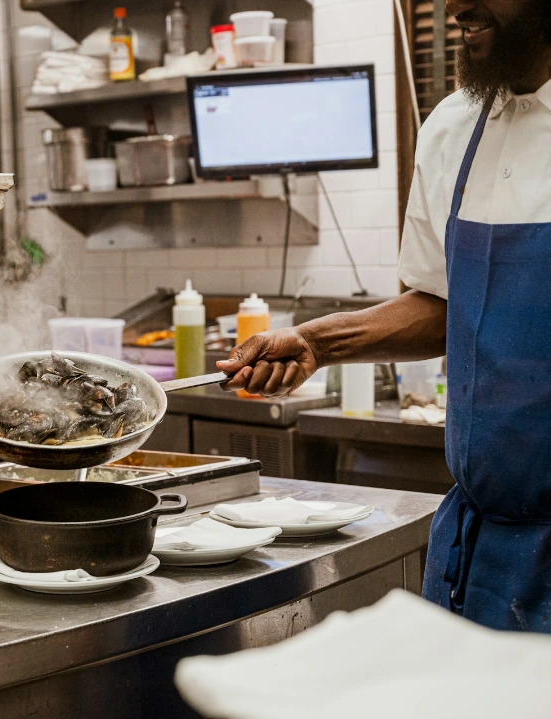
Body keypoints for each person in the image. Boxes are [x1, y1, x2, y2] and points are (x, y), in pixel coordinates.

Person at [217, 0, 551, 633]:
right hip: (479, 554)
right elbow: (440, 303)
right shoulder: (454, 127)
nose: (456, 8)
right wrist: (317, 342)